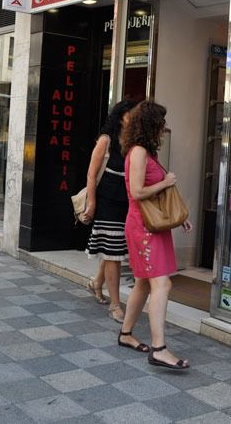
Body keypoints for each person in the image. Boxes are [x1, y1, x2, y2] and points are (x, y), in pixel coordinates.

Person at [118, 100, 193, 370]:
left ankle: (126, 333)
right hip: (143, 227)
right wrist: (166, 181)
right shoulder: (138, 152)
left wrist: (179, 217)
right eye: (161, 123)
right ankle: (159, 348)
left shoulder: (145, 152)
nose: (163, 128)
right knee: (162, 284)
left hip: (153, 225)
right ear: (151, 124)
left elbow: (157, 193)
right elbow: (137, 192)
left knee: (143, 282)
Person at [83, 100, 137, 323]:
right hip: (107, 201)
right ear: (122, 116)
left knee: (113, 247)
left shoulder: (133, 142)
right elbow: (91, 175)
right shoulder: (106, 140)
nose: (134, 117)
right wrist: (92, 204)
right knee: (114, 252)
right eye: (132, 113)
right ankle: (115, 304)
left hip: (127, 201)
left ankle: (97, 281)